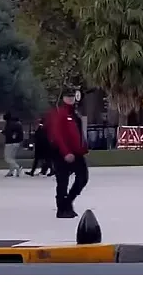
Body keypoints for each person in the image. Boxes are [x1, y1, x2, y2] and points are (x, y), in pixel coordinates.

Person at [47, 89, 89, 218]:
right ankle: (62, 208)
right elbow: (57, 134)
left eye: (72, 96)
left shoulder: (74, 112)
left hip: (76, 152)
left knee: (83, 178)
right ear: (63, 98)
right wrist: (65, 152)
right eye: (67, 96)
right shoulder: (60, 113)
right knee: (62, 180)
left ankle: (68, 202)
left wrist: (83, 148)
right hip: (62, 152)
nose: (70, 99)